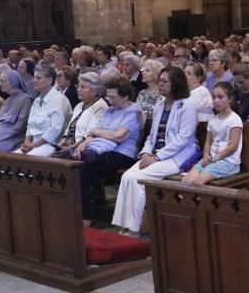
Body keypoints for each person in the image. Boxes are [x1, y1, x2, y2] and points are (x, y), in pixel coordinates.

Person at [113, 67, 200, 236]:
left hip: (178, 156)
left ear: (176, 84)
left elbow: (183, 138)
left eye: (165, 81)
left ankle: (134, 227)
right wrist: (145, 153)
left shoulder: (187, 105)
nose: (160, 84)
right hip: (155, 155)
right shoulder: (160, 105)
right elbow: (152, 136)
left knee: (137, 179)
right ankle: (124, 224)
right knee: (126, 177)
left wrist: (157, 156)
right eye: (159, 81)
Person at [72, 77, 143, 223]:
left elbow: (119, 136)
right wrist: (83, 145)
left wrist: (98, 132)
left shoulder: (133, 110)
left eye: (113, 97)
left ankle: (85, 217)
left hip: (123, 153)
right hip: (103, 149)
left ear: (126, 96)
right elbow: (92, 133)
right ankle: (75, 212)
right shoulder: (110, 110)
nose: (110, 100)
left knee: (82, 172)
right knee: (73, 167)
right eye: (108, 96)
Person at [183, 82, 244, 186]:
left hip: (228, 162)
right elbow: (208, 142)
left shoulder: (235, 119)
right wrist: (206, 154)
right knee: (186, 181)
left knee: (198, 181)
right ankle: (188, 202)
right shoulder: (212, 120)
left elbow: (233, 146)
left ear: (230, 99)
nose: (216, 101)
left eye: (220, 97)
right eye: (214, 97)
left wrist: (216, 157)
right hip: (212, 159)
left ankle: (199, 201)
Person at [12, 64, 73, 156]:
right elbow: (30, 125)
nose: (34, 80)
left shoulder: (59, 99)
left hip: (51, 145)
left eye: (38, 78)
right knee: (12, 158)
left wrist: (34, 145)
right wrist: (27, 141)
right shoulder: (37, 100)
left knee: (26, 160)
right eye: (34, 77)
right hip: (34, 144)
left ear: (50, 80)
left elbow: (55, 130)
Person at [54, 72, 109, 155]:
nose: (78, 89)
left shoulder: (101, 106)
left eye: (83, 87)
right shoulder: (79, 106)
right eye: (78, 86)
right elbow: (68, 130)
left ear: (94, 90)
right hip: (67, 147)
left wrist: (71, 148)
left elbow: (90, 134)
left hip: (83, 149)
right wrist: (60, 145)